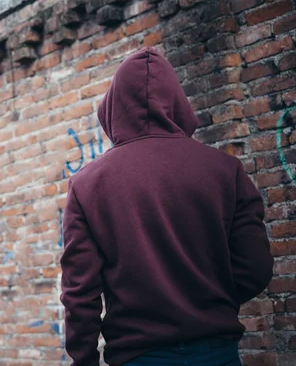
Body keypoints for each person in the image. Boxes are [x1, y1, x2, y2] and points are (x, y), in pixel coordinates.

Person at [59, 47, 273, 366]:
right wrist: (206, 302)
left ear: (114, 106)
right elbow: (256, 268)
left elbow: (80, 295)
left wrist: (84, 361)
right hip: (217, 352)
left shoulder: (87, 184)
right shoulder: (225, 170)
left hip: (138, 355)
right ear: (176, 103)